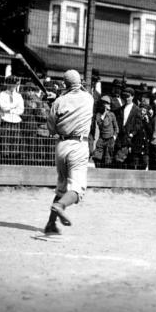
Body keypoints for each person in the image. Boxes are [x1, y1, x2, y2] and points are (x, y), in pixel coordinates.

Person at [43, 69, 94, 236]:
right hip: (79, 145)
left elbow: (51, 129)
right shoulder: (88, 98)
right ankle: (60, 206)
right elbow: (78, 90)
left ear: (65, 84)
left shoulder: (59, 101)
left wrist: (54, 102)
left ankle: (51, 224)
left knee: (62, 187)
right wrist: (58, 96)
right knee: (78, 189)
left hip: (62, 146)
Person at [0, 75, 24, 165]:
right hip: (6, 122)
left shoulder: (19, 96)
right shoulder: (2, 94)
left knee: (15, 148)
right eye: (11, 84)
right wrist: (14, 106)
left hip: (16, 123)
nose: (13, 86)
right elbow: (3, 107)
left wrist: (11, 108)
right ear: (7, 84)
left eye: (15, 84)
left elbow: (21, 110)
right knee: (4, 148)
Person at [91, 95, 118, 168]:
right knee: (97, 157)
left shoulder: (112, 115)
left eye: (109, 104)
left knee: (108, 158)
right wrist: (104, 114)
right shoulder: (99, 115)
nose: (109, 105)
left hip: (110, 139)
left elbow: (116, 127)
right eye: (107, 104)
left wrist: (114, 137)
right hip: (102, 138)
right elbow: (100, 124)